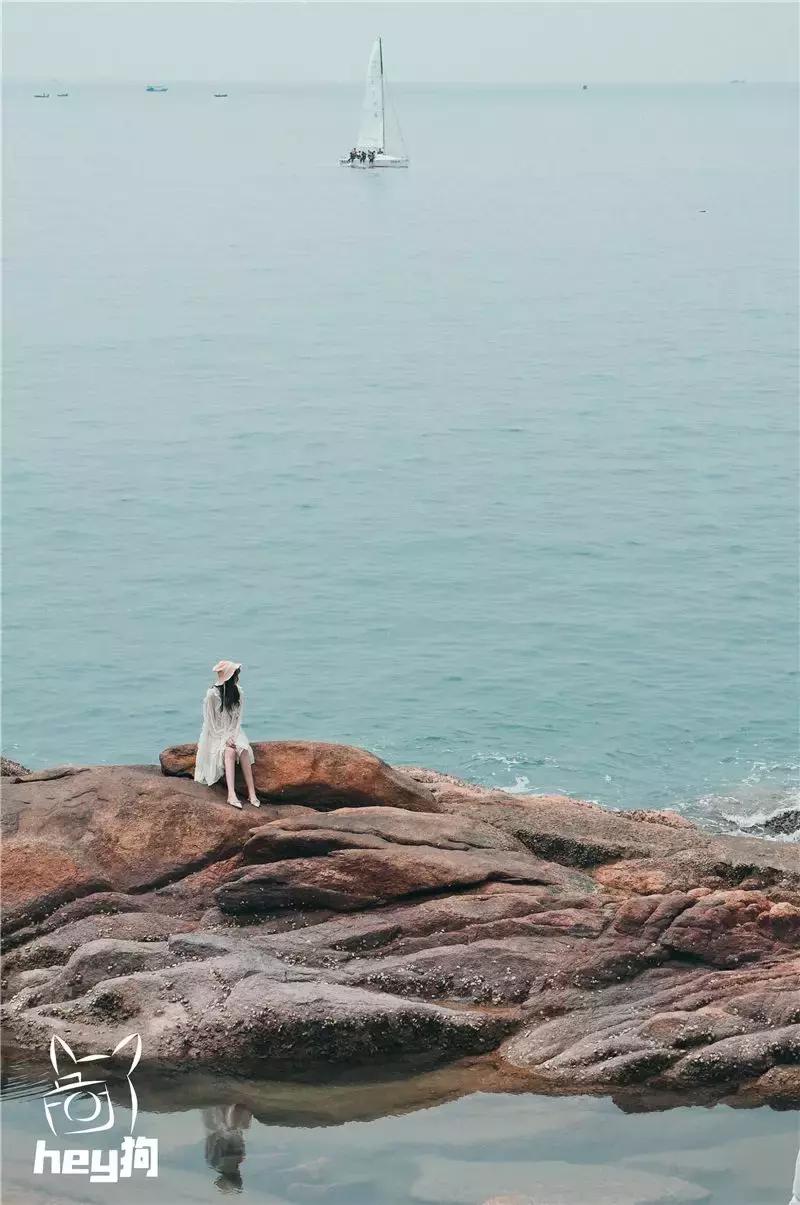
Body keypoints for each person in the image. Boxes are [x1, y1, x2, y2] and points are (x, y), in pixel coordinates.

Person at [194, 661, 260, 809]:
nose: (238, 677)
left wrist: (233, 736)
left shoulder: (238, 692)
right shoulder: (212, 694)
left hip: (233, 731)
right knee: (229, 752)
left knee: (243, 750)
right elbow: (210, 723)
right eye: (235, 674)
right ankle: (231, 794)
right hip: (215, 735)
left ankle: (252, 793)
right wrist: (225, 739)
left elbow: (238, 720)